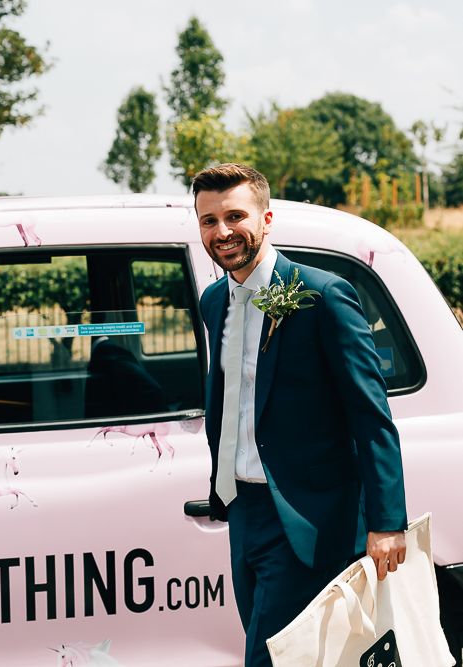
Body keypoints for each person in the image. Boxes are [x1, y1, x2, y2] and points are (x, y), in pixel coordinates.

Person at [193, 163, 407, 667]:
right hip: (244, 511)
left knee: (270, 658)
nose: (222, 232)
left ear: (266, 220)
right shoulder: (213, 302)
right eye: (207, 220)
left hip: (307, 516)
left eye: (234, 216)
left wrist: (387, 522)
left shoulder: (323, 295)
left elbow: (370, 415)